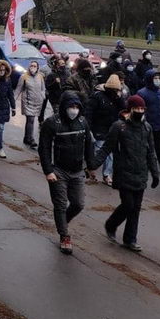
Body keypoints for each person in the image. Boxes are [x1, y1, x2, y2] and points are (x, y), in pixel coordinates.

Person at [93, 95, 160, 252]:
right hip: (124, 172)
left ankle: (130, 240)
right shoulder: (119, 126)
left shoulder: (147, 128)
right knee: (128, 205)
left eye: (142, 109)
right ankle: (111, 224)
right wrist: (93, 165)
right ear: (129, 109)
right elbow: (106, 148)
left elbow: (151, 152)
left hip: (141, 173)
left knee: (136, 208)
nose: (139, 111)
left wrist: (155, 173)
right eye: (136, 108)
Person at [39, 90, 96, 254]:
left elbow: (89, 145)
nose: (74, 109)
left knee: (78, 204)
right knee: (61, 204)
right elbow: (44, 148)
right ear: (64, 106)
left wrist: (91, 166)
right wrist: (48, 171)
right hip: (59, 171)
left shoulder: (82, 122)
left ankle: (63, 221)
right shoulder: (52, 123)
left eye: (76, 106)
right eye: (71, 106)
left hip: (77, 171)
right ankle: (64, 235)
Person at [86, 74, 126, 186]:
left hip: (111, 129)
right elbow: (89, 112)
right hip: (99, 128)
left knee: (109, 154)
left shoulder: (117, 98)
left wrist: (120, 98)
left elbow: (123, 110)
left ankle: (106, 174)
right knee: (99, 151)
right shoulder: (97, 96)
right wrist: (88, 128)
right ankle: (91, 168)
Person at [16, 60, 45, 149]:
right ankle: (31, 139)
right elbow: (18, 89)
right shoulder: (24, 77)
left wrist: (42, 96)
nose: (33, 67)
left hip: (37, 102)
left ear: (37, 68)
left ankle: (26, 137)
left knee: (30, 121)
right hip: (27, 102)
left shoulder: (40, 76)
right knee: (31, 119)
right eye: (31, 65)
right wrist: (13, 101)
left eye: (35, 66)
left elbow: (43, 88)